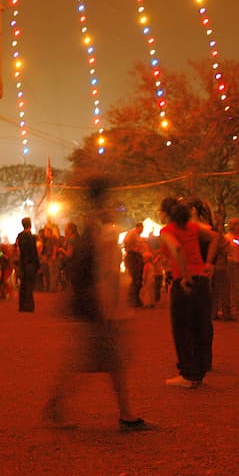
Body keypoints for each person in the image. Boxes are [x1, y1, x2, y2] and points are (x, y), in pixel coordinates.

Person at [44, 177, 147, 432]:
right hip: (99, 306)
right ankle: (56, 406)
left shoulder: (91, 222)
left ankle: (126, 413)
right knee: (90, 361)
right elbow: (102, 270)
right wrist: (110, 308)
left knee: (109, 362)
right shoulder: (99, 225)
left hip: (96, 304)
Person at [159, 196, 212, 388]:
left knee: (182, 327)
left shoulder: (167, 231)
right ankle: (199, 370)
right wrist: (209, 262)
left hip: (185, 283)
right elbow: (215, 236)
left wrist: (185, 276)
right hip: (202, 280)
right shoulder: (194, 228)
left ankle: (187, 374)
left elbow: (177, 248)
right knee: (200, 326)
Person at [16, 217, 39, 312]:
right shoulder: (33, 237)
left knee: (23, 285)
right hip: (31, 263)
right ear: (30, 224)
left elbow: (18, 250)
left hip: (23, 263)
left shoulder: (20, 236)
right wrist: (37, 265)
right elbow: (35, 252)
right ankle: (29, 306)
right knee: (30, 285)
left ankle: (22, 306)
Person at [123, 221, 146, 307]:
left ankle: (134, 299)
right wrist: (131, 249)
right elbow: (126, 242)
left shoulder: (136, 234)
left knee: (137, 279)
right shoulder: (132, 233)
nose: (142, 230)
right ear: (138, 227)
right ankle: (133, 299)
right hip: (133, 257)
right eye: (141, 228)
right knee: (135, 279)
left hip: (135, 256)